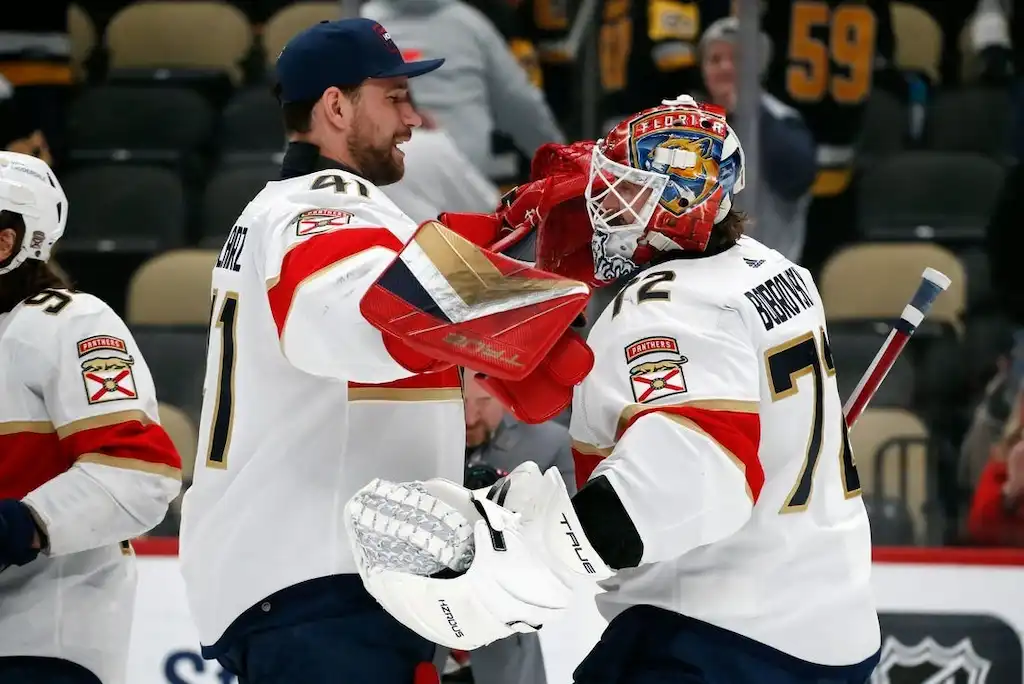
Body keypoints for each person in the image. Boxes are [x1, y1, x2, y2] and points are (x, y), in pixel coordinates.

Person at [347, 95, 882, 683]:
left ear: (679, 205)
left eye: (624, 191)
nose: (604, 208)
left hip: (719, 636)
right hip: (824, 623)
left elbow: (697, 478)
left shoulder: (668, 303)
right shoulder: (776, 272)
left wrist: (530, 560)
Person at [178, 17, 590, 684]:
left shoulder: (306, 209)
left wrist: (514, 238)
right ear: (335, 107)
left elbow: (402, 289)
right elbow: (366, 318)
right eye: (393, 97)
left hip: (326, 581)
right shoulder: (325, 206)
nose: (411, 117)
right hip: (322, 582)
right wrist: (529, 281)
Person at [0, 151, 182, 683]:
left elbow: (138, 473)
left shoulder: (69, 323)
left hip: (41, 636)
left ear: (8, 241)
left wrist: (20, 524)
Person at [698, 17, 816, 263]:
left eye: (737, 59)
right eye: (715, 59)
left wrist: (751, 113)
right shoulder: (690, 124)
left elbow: (796, 180)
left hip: (769, 273)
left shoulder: (783, 120)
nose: (725, 68)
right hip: (705, 275)